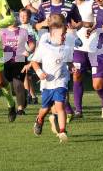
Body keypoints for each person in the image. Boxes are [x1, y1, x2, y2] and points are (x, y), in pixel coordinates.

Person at [34, 0, 82, 122]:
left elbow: (79, 22)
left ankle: (62, 112)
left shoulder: (70, 6)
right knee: (52, 80)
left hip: (64, 45)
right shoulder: (44, 6)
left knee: (63, 79)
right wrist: (43, 23)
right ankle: (62, 112)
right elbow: (35, 25)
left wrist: (75, 27)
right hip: (48, 47)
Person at [32, 14, 76, 143]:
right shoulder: (45, 46)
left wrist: (71, 66)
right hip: (47, 83)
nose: (63, 37)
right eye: (61, 35)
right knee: (45, 108)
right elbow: (34, 62)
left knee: (60, 106)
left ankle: (62, 131)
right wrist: (40, 72)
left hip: (61, 81)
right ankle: (39, 119)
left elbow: (68, 60)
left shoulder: (66, 48)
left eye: (64, 35)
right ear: (52, 35)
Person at [70, 0, 103, 118]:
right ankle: (78, 110)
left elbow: (101, 21)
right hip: (78, 48)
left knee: (98, 80)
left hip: (94, 47)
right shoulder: (70, 6)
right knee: (77, 75)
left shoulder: (93, 4)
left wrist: (85, 24)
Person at [1, 18, 35, 115]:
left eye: (13, 16)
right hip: (6, 61)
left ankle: (20, 109)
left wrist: (28, 51)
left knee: (18, 84)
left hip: (19, 60)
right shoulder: (1, 32)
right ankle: (22, 95)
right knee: (9, 86)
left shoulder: (23, 31)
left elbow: (32, 43)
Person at [18, 8, 39, 104]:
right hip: (22, 55)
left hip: (31, 54)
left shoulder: (30, 28)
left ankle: (28, 95)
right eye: (21, 16)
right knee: (26, 76)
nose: (22, 18)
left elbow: (34, 43)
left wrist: (28, 51)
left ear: (29, 17)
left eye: (25, 16)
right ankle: (32, 96)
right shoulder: (18, 28)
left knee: (26, 75)